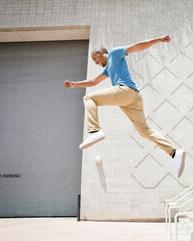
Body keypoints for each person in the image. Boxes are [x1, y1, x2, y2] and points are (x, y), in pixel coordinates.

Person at [64, 35, 185, 178]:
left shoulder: (115, 53)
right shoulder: (108, 68)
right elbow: (93, 82)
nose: (96, 63)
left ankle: (94, 131)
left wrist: (158, 39)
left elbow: (138, 46)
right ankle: (174, 152)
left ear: (100, 53)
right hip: (132, 99)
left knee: (89, 98)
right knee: (144, 131)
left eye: (95, 59)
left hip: (125, 91)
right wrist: (74, 84)